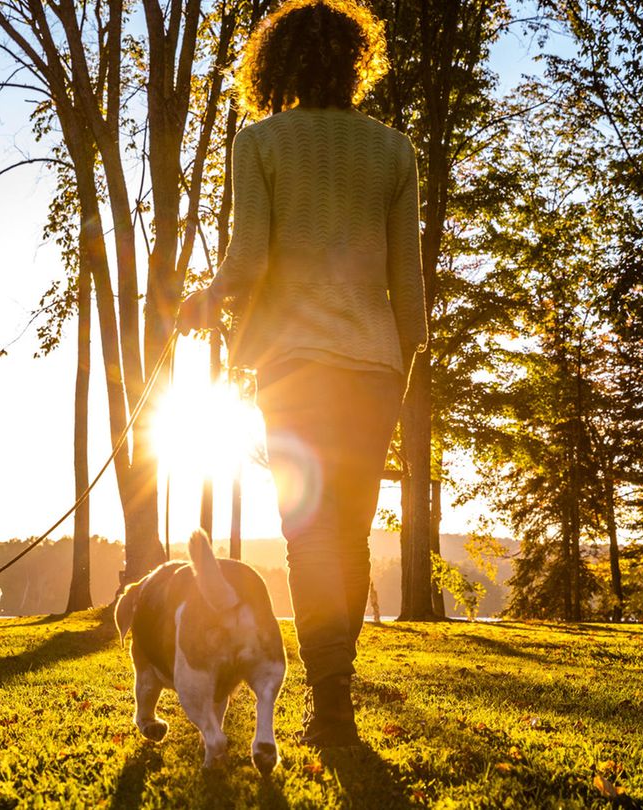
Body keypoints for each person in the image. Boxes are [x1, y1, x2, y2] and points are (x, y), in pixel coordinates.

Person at [178, 0, 426, 749]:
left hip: (294, 366)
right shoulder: (394, 150)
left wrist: (205, 296)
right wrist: (406, 376)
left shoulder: (260, 143)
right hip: (377, 367)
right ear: (356, 61)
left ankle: (334, 704)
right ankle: (333, 698)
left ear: (276, 66)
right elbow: (408, 288)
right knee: (346, 535)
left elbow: (248, 261)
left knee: (309, 535)